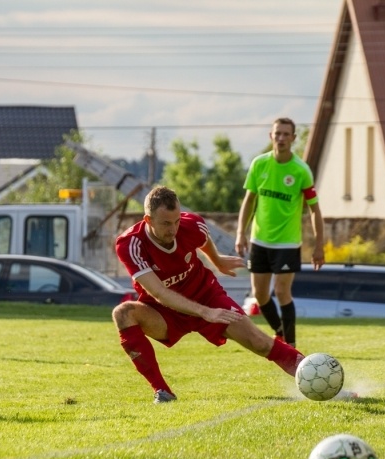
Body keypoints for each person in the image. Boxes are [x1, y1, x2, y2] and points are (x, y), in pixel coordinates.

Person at [112, 185, 306, 403]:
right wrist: (205, 313)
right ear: (148, 220)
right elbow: (159, 293)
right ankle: (163, 391)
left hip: (207, 296)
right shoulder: (130, 244)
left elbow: (203, 241)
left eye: (176, 221)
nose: (173, 229)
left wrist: (218, 261)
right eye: (166, 223)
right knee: (123, 313)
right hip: (165, 311)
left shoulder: (191, 224)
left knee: (260, 343)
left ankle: (318, 374)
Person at [236, 117, 324, 347]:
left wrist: (319, 245)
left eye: (286, 134)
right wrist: (240, 233)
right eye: (278, 134)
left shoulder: (301, 170)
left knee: (283, 292)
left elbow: (314, 210)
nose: (281, 138)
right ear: (271, 136)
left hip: (287, 243)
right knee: (260, 294)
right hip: (260, 241)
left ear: (294, 139)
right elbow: (249, 201)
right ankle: (279, 331)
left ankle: (292, 347)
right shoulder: (259, 164)